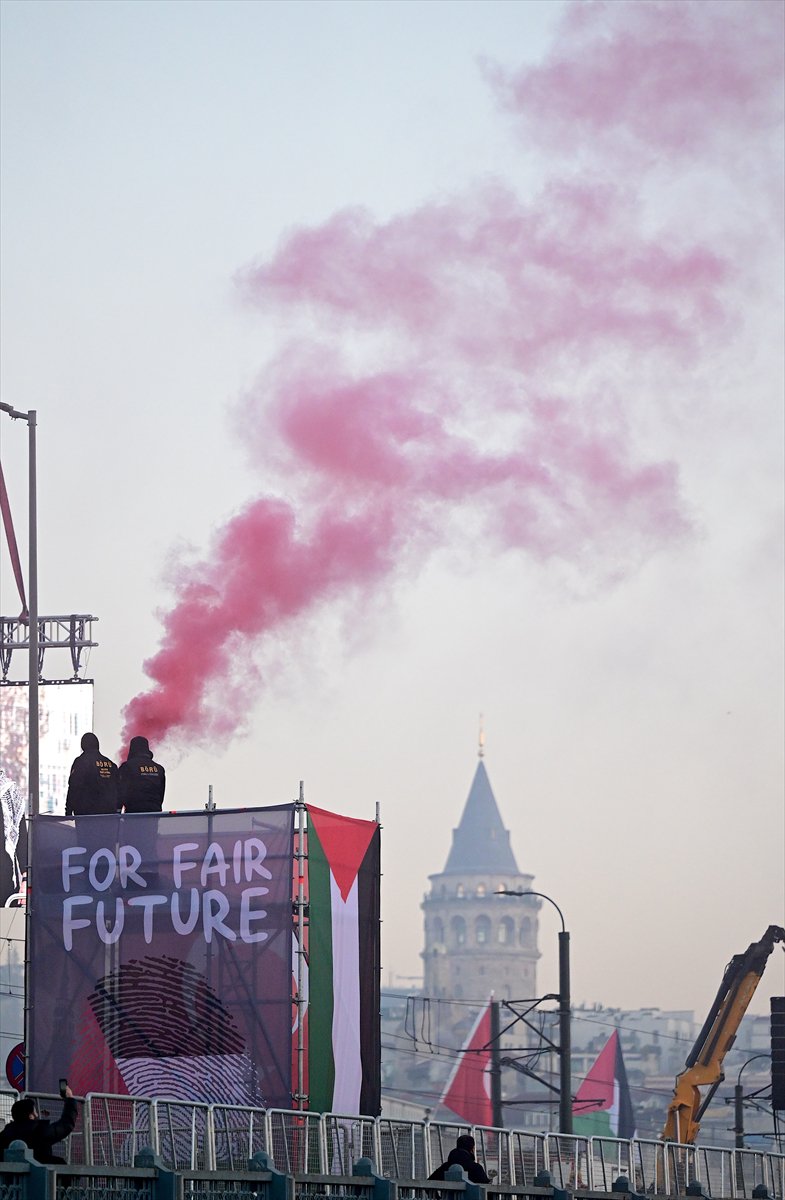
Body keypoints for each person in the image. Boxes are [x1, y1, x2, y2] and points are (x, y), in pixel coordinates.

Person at [0, 1086, 77, 1164]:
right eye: (35, 1111)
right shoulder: (39, 1130)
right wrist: (70, 1099)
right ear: (30, 1115)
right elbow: (66, 1125)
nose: (37, 1115)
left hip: (9, 1175)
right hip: (41, 1174)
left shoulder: (4, 1135)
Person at [65, 733, 119, 816]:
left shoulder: (81, 762)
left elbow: (74, 787)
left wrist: (68, 811)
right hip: (109, 814)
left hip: (86, 815)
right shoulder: (111, 765)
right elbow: (118, 789)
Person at [118, 736, 166, 813]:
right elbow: (161, 794)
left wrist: (117, 813)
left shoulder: (127, 766)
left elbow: (121, 792)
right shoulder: (159, 769)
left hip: (134, 814)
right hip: (154, 813)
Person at [428, 1134, 494, 1183]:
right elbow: (487, 1190)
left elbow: (429, 1183)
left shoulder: (446, 1167)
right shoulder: (476, 1168)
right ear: (472, 1149)